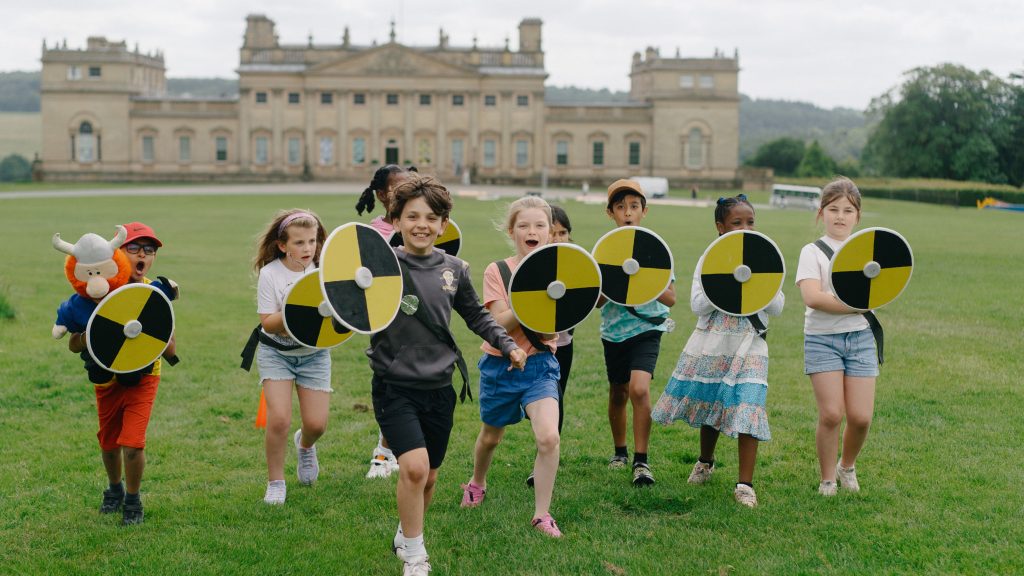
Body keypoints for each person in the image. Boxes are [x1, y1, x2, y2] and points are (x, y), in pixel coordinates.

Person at [369, 175, 526, 575]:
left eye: (431, 217)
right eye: (412, 216)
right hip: (394, 385)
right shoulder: (380, 268)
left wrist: (507, 344)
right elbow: (345, 302)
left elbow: (476, 315)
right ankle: (416, 556)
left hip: (439, 387)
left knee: (430, 477)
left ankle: (406, 533)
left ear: (443, 224)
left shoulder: (455, 269)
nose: (422, 224)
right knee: (415, 468)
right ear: (397, 220)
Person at [651, 195, 784, 508]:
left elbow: (777, 305)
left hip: (751, 341)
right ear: (720, 227)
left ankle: (745, 484)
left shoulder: (763, 257)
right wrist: (726, 280)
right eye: (737, 223)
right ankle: (705, 461)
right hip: (714, 342)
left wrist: (754, 281)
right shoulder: (708, 258)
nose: (745, 228)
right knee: (713, 403)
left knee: (750, 404)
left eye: (750, 222)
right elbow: (697, 304)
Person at [461, 196, 564, 538]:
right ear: (512, 231)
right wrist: (532, 296)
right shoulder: (498, 271)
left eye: (539, 226)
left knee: (548, 437)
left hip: (540, 365)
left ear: (550, 232)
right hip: (499, 366)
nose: (531, 231)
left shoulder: (559, 271)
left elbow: (550, 329)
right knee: (491, 436)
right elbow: (499, 323)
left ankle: (541, 514)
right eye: (524, 225)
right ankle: (477, 482)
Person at [64, 221, 179, 525]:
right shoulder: (95, 290)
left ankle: (132, 499)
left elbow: (170, 349)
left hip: (144, 377)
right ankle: (113, 490)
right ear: (116, 253)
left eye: (149, 250)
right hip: (106, 378)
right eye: (135, 248)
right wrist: (89, 335)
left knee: (133, 442)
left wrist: (155, 334)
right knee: (109, 442)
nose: (143, 254)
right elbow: (74, 345)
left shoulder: (152, 293)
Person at [795, 177, 878, 497]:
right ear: (821, 213)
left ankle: (847, 466)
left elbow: (882, 289)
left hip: (860, 339)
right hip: (822, 340)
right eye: (833, 209)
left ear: (858, 216)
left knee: (860, 417)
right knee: (831, 414)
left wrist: (863, 307)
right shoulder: (811, 252)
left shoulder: (867, 252)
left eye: (847, 210)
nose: (840, 216)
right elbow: (813, 297)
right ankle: (827, 478)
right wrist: (856, 306)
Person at [599, 179, 676, 486]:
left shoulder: (654, 248)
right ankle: (620, 452)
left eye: (633, 206)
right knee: (618, 392)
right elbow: (597, 301)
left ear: (645, 210)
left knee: (639, 389)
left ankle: (641, 462)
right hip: (614, 331)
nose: (627, 213)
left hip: (647, 328)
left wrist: (643, 277)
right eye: (620, 207)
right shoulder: (604, 251)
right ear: (610, 213)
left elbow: (671, 298)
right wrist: (614, 281)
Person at [252, 209, 330, 505]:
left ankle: (305, 445)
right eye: (299, 242)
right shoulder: (271, 274)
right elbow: (268, 322)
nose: (307, 248)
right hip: (277, 354)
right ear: (282, 245)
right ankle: (276, 482)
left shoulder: (323, 272)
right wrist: (297, 313)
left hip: (315, 356)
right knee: (280, 420)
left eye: (312, 241)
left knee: (316, 425)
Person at [356, 163, 417, 479]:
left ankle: (399, 450)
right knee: (390, 383)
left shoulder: (420, 225)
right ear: (381, 195)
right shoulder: (371, 234)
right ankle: (383, 453)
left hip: (420, 319)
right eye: (396, 189)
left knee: (414, 386)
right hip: (386, 322)